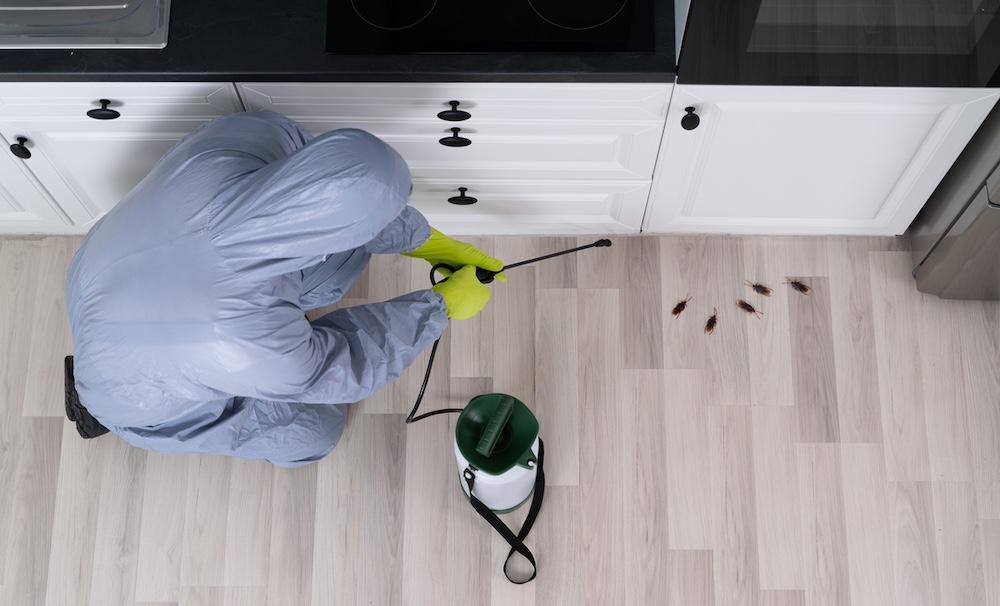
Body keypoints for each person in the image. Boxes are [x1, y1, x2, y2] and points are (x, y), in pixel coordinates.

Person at [65, 111, 504, 467]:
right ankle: (99, 410)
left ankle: (145, 364)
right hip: (141, 402)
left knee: (342, 263)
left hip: (102, 277)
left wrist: (425, 241)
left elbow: (328, 194)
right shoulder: (242, 342)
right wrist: (438, 307)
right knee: (316, 432)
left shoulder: (252, 133)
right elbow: (348, 365)